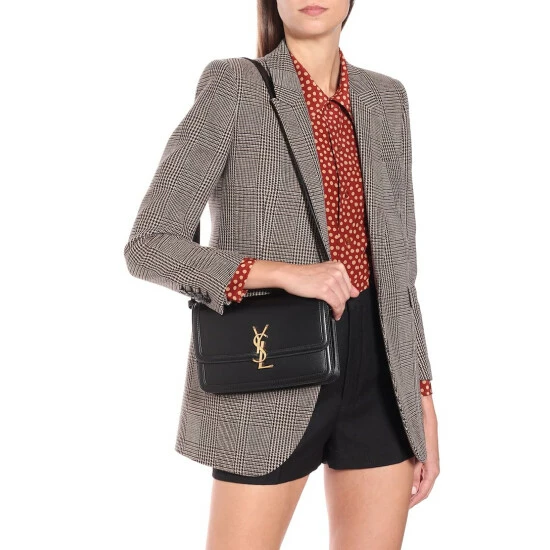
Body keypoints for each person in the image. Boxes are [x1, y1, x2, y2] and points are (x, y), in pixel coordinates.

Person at [123, 0, 440, 548]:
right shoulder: (236, 87)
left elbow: (400, 272)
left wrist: (423, 395)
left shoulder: (387, 99)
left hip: (382, 377)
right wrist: (283, 274)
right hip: (271, 364)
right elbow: (149, 244)